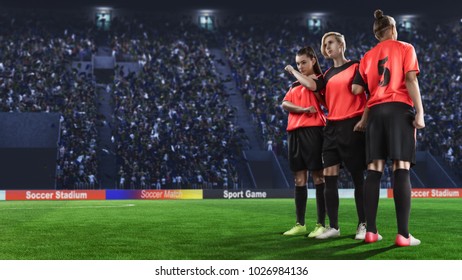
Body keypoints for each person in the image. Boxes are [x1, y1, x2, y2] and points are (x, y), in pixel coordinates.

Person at [352, 9, 425, 246]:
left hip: (375, 113)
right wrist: (420, 112)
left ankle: (371, 232)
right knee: (401, 169)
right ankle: (403, 235)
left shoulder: (367, 56)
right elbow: (410, 79)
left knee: (373, 171)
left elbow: (357, 90)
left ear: (376, 35)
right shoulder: (406, 47)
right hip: (398, 110)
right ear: (393, 29)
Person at [314, 32, 368, 240]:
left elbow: (368, 94)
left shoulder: (357, 66)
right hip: (331, 127)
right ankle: (334, 226)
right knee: (329, 178)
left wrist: (364, 120)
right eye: (324, 44)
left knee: (357, 178)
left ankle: (363, 224)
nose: (327, 47)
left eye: (330, 43)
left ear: (341, 44)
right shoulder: (326, 75)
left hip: (352, 126)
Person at [281, 46, 327, 237]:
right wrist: (303, 110)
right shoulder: (293, 86)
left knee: (318, 177)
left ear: (313, 61)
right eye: (297, 63)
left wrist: (291, 70)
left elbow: (310, 86)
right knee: (299, 179)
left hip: (314, 131)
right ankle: (300, 223)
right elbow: (284, 104)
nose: (300, 66)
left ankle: (321, 224)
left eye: (303, 62)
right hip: (294, 132)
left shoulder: (319, 80)